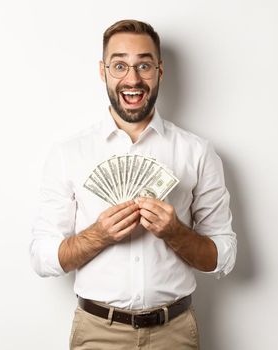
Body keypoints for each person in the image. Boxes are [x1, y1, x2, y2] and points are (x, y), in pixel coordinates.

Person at [29, 19, 237, 349]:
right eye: (120, 65)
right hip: (97, 332)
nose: (133, 78)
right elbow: (42, 257)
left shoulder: (197, 152)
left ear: (160, 71)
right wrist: (98, 235)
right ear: (103, 71)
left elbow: (222, 256)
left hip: (175, 332)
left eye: (144, 65)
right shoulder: (68, 153)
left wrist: (175, 232)